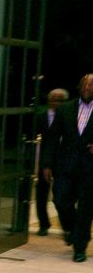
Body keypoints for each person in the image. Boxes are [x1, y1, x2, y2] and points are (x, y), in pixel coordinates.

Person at [43, 73, 93, 262]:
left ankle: (79, 248)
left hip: (90, 169)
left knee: (85, 208)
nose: (88, 88)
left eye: (91, 86)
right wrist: (47, 164)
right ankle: (72, 230)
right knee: (60, 199)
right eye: (85, 85)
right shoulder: (65, 109)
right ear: (79, 87)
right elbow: (52, 139)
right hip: (66, 166)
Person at [35, 88, 69, 236]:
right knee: (41, 193)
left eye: (60, 100)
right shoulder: (40, 116)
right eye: (54, 99)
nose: (56, 103)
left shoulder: (69, 116)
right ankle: (43, 224)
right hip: (44, 159)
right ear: (49, 101)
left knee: (62, 195)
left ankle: (67, 226)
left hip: (63, 160)